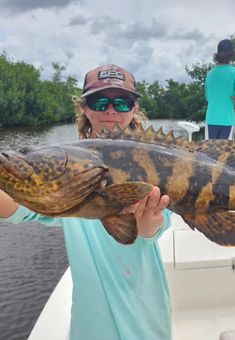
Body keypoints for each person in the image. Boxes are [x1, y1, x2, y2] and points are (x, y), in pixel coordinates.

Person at [0, 64, 172, 340]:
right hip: (91, 327)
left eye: (122, 102)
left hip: (145, 319)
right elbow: (14, 207)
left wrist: (148, 221)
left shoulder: (155, 162)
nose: (111, 110)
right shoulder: (66, 183)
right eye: (100, 101)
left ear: (133, 110)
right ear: (85, 109)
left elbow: (155, 229)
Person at [204, 39, 235, 140]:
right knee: (225, 155)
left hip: (211, 119)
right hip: (227, 120)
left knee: (209, 154)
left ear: (217, 56)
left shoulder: (209, 74)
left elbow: (207, 98)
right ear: (232, 55)